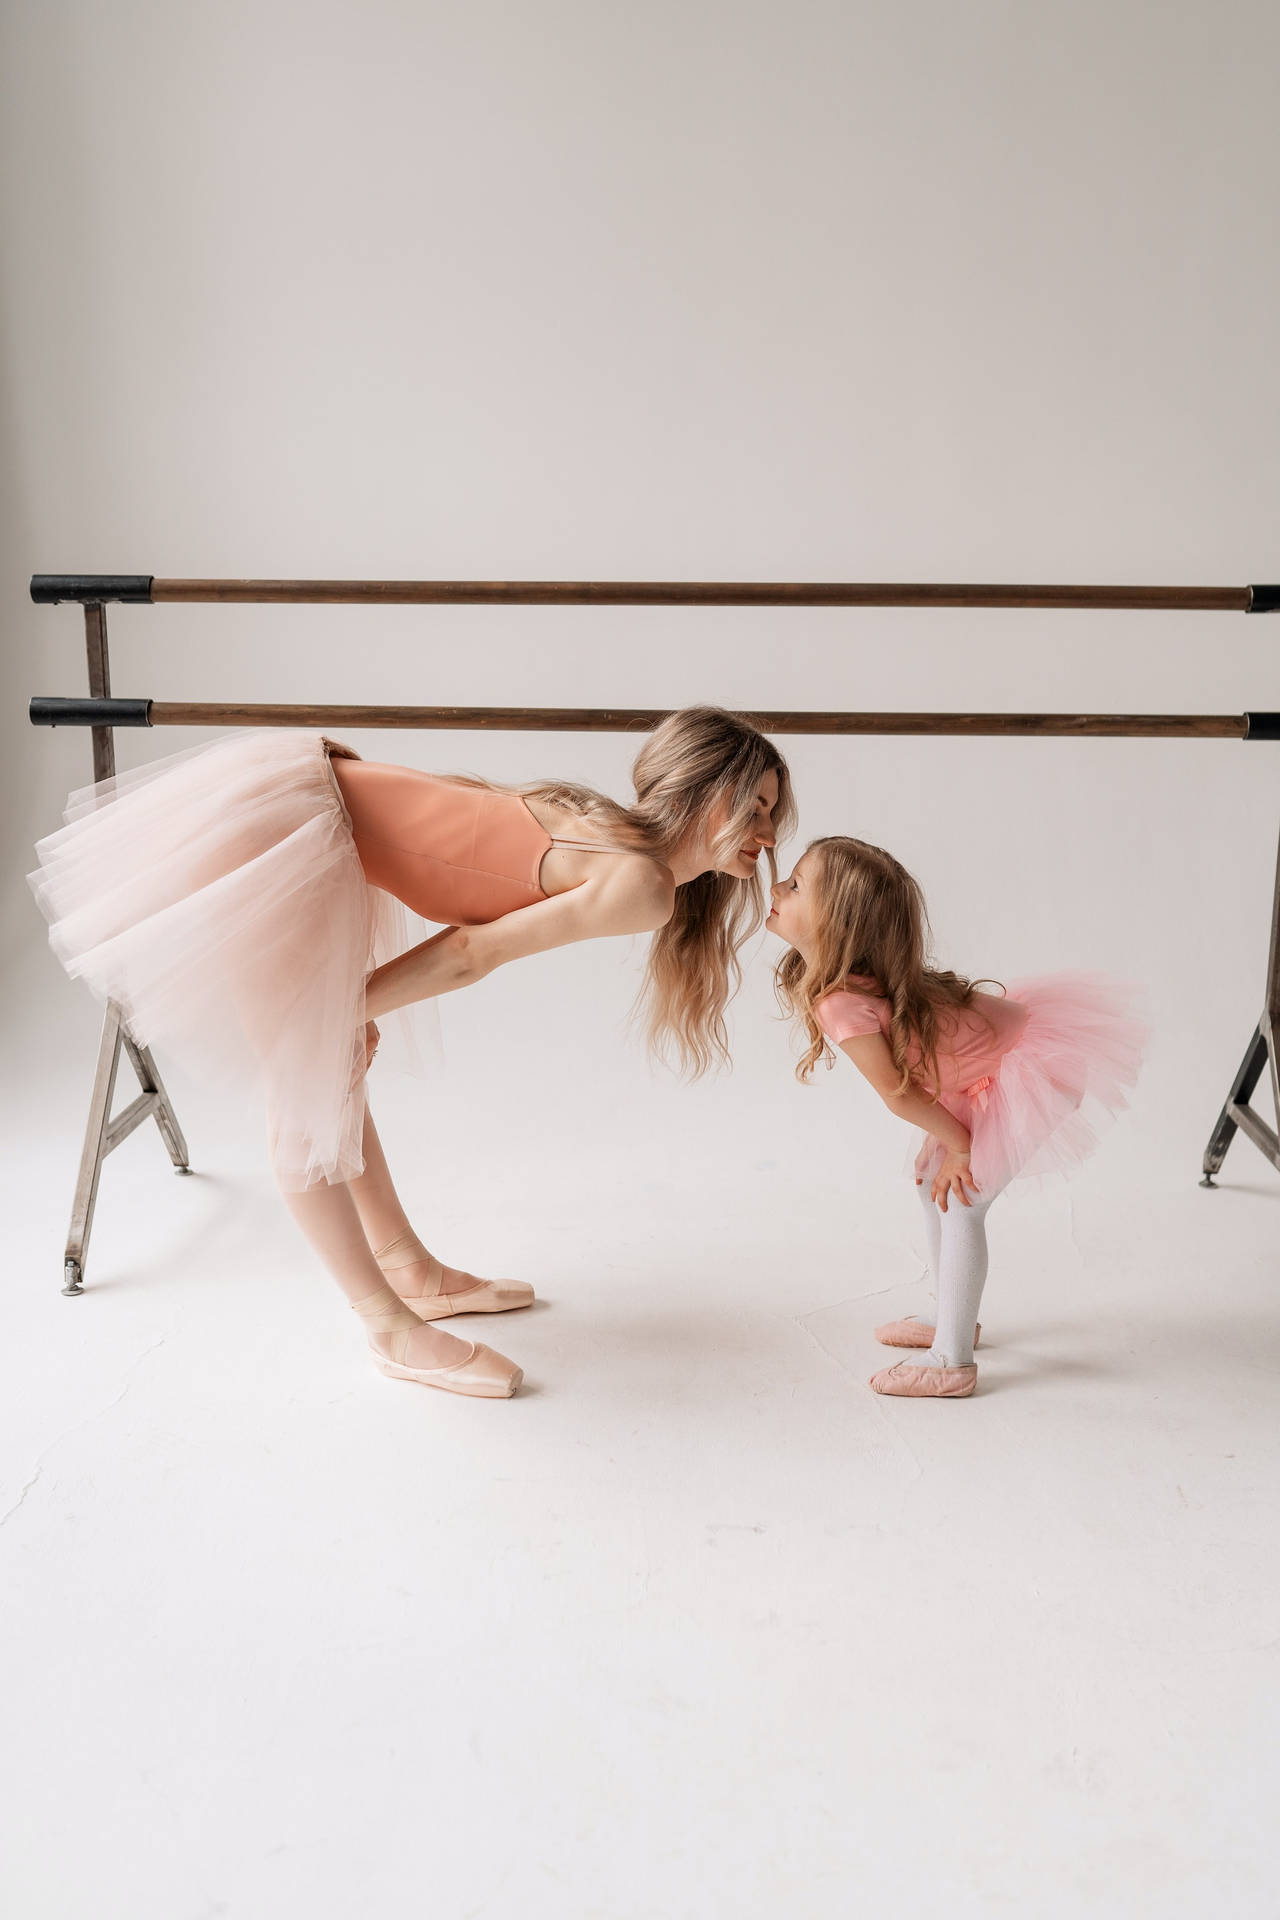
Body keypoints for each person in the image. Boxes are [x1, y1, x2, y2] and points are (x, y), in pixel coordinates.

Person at [30, 708, 794, 1399]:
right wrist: (344, 1010)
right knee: (308, 1086)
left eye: (772, 811)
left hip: (306, 805)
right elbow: (470, 952)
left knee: (332, 1075)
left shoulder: (609, 827)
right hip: (291, 829)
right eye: (753, 805)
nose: (767, 833)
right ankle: (388, 1326)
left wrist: (350, 1005)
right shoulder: (641, 883)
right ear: (703, 790)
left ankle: (409, 1267)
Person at [767, 836, 1146, 1398]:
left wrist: (960, 1145)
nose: (776, 888)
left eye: (796, 886)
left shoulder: (841, 1001)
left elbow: (897, 1092)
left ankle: (952, 1361)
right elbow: (936, 1063)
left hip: (1034, 1071)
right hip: (992, 1072)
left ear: (838, 925)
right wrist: (943, 1135)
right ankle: (952, 1317)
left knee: (962, 1200)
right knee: (930, 1185)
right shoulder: (852, 985)